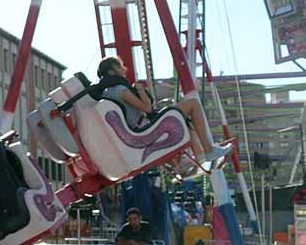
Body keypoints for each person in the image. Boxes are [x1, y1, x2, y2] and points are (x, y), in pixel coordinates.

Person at [96, 56, 231, 164]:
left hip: (137, 129)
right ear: (111, 72)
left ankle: (199, 153)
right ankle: (208, 150)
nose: (124, 69)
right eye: (119, 66)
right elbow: (147, 108)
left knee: (181, 114)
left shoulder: (107, 91)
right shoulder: (119, 89)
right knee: (193, 104)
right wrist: (140, 89)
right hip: (143, 129)